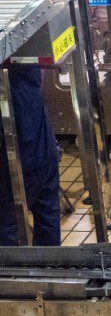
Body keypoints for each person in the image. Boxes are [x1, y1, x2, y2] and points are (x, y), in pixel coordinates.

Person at [0, 65, 61, 246]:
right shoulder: (27, 60)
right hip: (44, 146)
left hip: (15, 159)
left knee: (6, 224)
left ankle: (11, 273)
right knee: (48, 217)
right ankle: (50, 268)